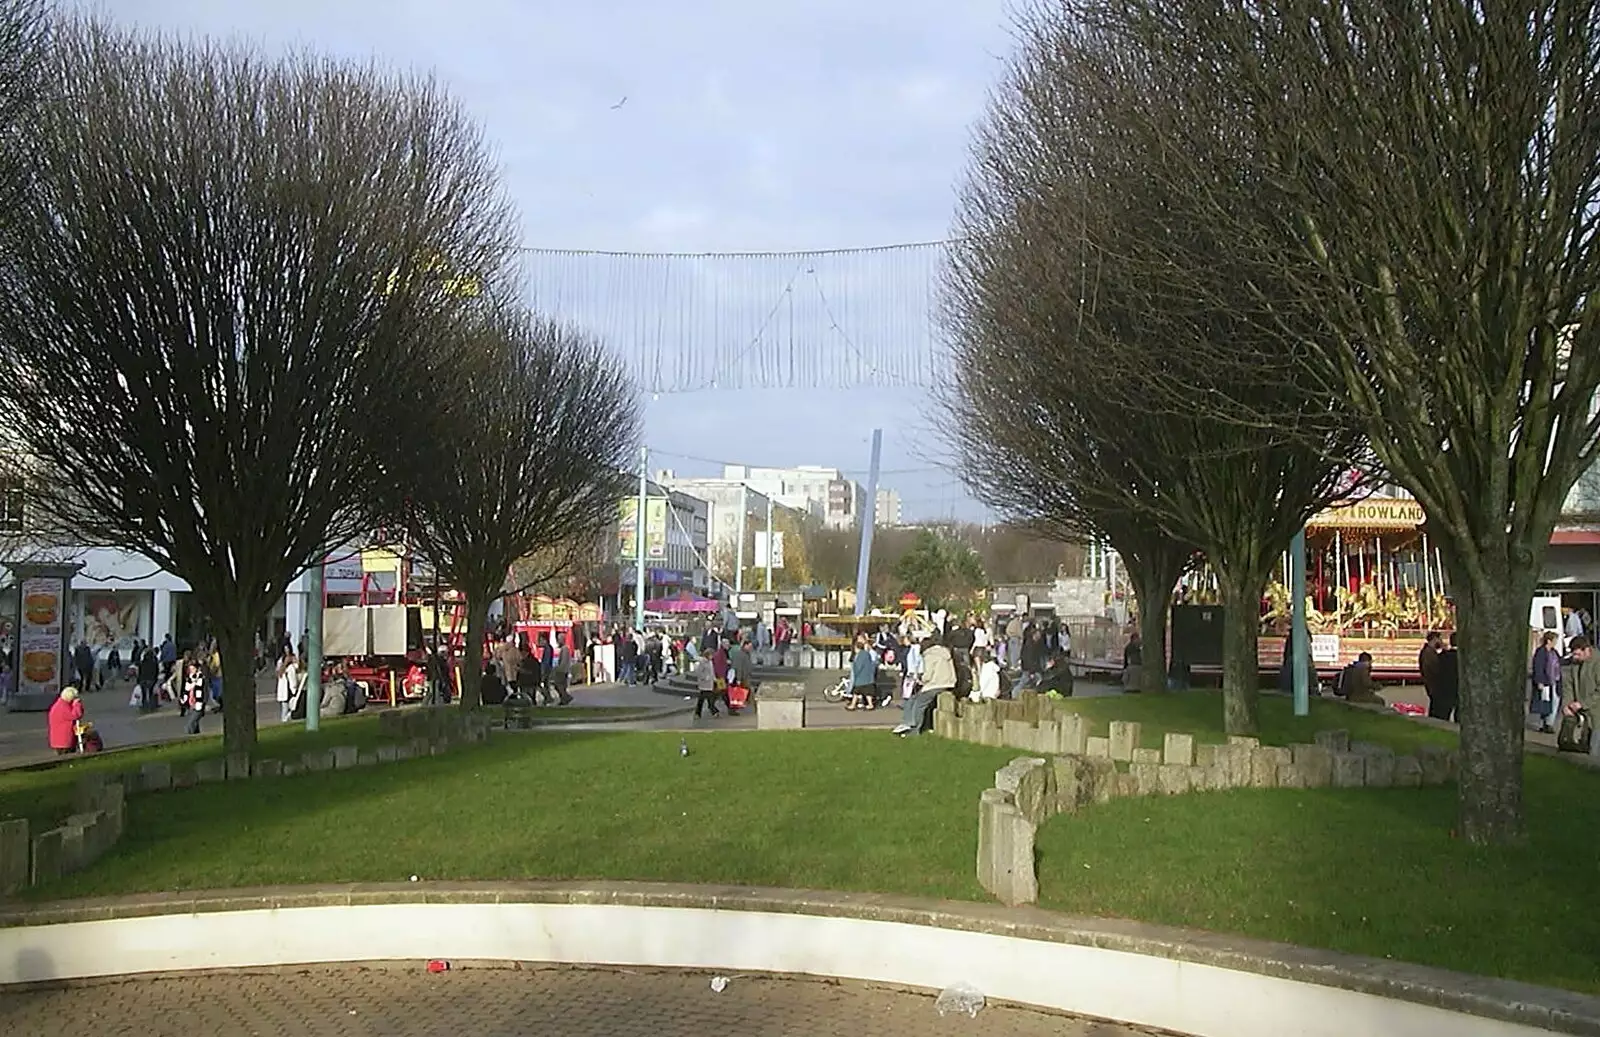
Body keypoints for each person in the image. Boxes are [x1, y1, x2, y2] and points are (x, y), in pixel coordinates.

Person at [894, 633, 955, 736]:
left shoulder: (930, 655)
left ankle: (914, 728)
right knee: (917, 699)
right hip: (949, 682)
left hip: (935, 684)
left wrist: (920, 679)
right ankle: (911, 724)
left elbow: (928, 676)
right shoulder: (945, 653)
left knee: (918, 703)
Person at [1531, 630, 1562, 734]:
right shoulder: (1541, 652)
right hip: (1546, 681)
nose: (1556, 643)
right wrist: (1539, 681)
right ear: (1549, 641)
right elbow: (1538, 667)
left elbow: (1560, 662)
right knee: (1547, 702)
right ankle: (1547, 724)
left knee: (1553, 701)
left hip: (1555, 680)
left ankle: (1547, 723)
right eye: (1555, 640)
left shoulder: (1554, 652)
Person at [1429, 633, 1460, 722]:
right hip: (1457, 689)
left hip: (1444, 689)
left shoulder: (1443, 656)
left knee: (1443, 716)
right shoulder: (1462, 658)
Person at [845, 634, 878, 711]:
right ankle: (870, 705)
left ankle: (853, 705)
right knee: (867, 693)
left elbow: (858, 667)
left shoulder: (860, 655)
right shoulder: (866, 653)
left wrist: (855, 674)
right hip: (868, 678)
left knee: (856, 692)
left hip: (861, 678)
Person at [48, 686, 84, 754]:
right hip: (63, 741)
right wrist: (77, 705)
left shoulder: (60, 704)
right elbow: (76, 715)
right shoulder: (62, 707)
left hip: (59, 740)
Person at [275, 646, 300, 723]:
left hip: (291, 688)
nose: (287, 651)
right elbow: (279, 674)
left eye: (288, 649)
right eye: (285, 649)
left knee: (291, 706)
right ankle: (284, 720)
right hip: (286, 689)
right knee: (286, 707)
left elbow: (298, 667)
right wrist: (285, 663)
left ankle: (286, 719)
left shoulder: (293, 661)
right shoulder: (281, 662)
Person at [693, 652, 720, 718]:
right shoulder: (702, 662)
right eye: (711, 655)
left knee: (702, 699)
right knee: (709, 697)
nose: (712, 657)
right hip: (704, 684)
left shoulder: (710, 662)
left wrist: (714, 679)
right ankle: (713, 711)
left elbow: (712, 672)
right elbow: (699, 672)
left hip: (709, 683)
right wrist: (705, 677)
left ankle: (698, 713)